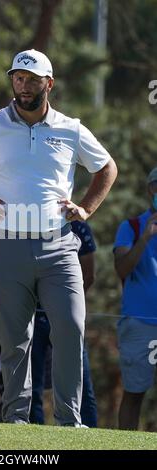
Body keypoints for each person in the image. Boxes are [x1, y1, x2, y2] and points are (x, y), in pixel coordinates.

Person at [0, 48, 117, 426]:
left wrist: (85, 208)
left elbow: (106, 168)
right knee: (15, 338)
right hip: (5, 245)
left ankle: (70, 421)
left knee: (70, 326)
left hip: (59, 245)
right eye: (18, 78)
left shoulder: (70, 128)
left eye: (32, 80)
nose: (23, 86)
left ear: (48, 84)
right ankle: (17, 420)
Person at [30, 221, 97, 427]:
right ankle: (31, 434)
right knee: (34, 386)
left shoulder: (80, 228)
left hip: (65, 316)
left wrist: (67, 308)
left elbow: (88, 275)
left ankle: (89, 433)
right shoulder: (31, 225)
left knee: (81, 384)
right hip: (35, 316)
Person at [114, 167, 157, 430]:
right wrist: (144, 239)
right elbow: (122, 268)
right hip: (140, 323)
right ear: (150, 190)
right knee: (134, 393)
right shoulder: (130, 227)